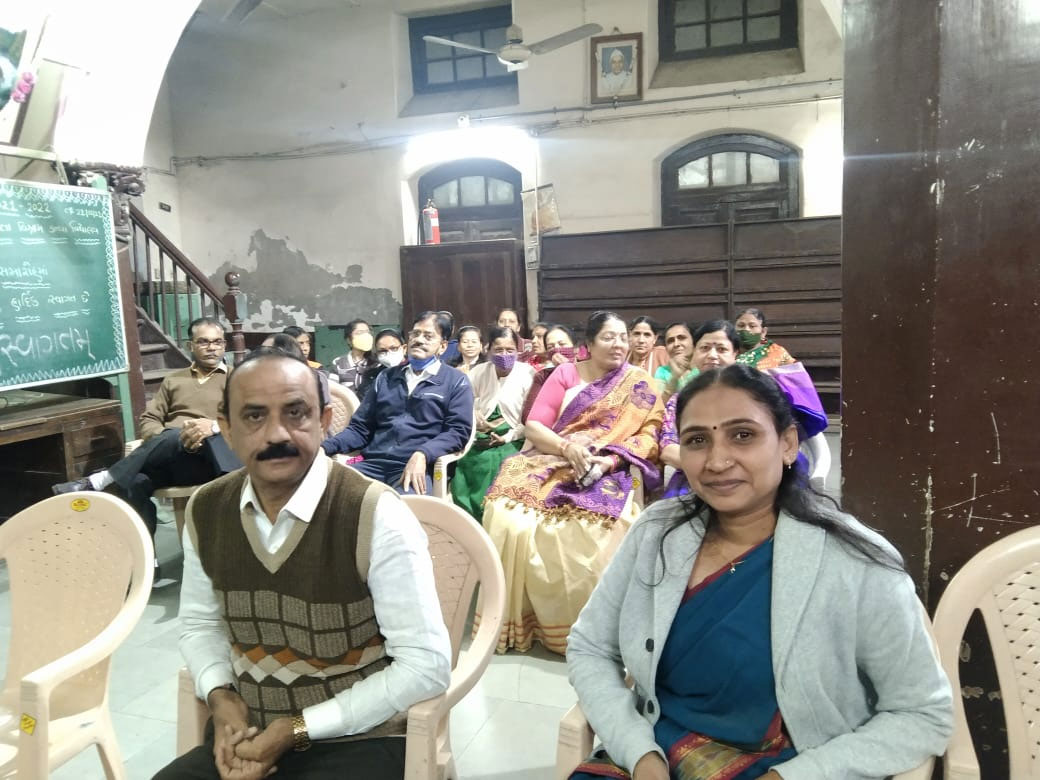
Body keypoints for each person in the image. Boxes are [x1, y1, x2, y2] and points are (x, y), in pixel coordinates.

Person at [567, 364, 953, 780]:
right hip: (655, 749)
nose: (717, 461)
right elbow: (590, 647)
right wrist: (639, 753)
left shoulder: (856, 561)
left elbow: (922, 714)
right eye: (697, 440)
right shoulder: (657, 532)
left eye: (743, 435)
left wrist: (791, 777)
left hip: (798, 765)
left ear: (787, 444)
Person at [154, 348, 451, 780]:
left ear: (324, 420)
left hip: (358, 737)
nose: (277, 434)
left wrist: (296, 729)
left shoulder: (373, 513)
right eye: (254, 416)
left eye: (296, 413)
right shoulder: (208, 508)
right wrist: (220, 696)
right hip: (249, 730)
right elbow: (200, 625)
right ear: (227, 429)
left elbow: (426, 666)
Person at [481, 311, 663, 655]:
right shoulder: (565, 373)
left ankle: (591, 630)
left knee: (592, 528)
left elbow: (649, 437)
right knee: (506, 514)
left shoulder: (640, 384)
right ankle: (522, 620)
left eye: (622, 337)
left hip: (607, 466)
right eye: (608, 337)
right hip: (552, 456)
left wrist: (609, 461)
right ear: (588, 344)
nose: (619, 344)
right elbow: (535, 426)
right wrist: (566, 448)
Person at [51, 316, 241, 539]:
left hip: (209, 460)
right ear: (191, 345)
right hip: (171, 459)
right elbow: (149, 420)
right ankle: (147, 552)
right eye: (204, 342)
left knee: (174, 436)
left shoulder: (236, 378)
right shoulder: (173, 380)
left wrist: (214, 427)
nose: (212, 348)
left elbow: (245, 419)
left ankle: (100, 480)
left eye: (217, 342)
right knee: (133, 482)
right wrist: (166, 438)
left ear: (224, 345)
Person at [321, 311, 474, 495]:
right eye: (415, 334)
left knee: (402, 507)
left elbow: (458, 431)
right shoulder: (386, 377)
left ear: (442, 346)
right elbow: (360, 428)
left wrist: (423, 453)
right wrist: (324, 447)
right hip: (372, 464)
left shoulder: (455, 381)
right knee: (328, 494)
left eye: (428, 336)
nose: (419, 340)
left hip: (415, 466)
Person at [450, 326, 534, 520]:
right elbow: (464, 402)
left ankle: (490, 518)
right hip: (481, 434)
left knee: (496, 463)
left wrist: (508, 437)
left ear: (518, 350)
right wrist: (474, 414)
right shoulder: (479, 371)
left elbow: (531, 417)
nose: (504, 355)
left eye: (509, 350)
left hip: (516, 437)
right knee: (468, 462)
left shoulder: (527, 374)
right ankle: (468, 519)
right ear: (488, 350)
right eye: (498, 350)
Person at [658, 320, 741, 497]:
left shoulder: (751, 396)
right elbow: (668, 449)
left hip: (743, 476)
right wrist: (712, 468)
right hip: (692, 482)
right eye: (704, 348)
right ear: (694, 353)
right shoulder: (681, 399)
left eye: (721, 349)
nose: (712, 355)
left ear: (735, 354)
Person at [520, 323, 579, 423]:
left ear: (575, 348)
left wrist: (568, 369)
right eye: (551, 347)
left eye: (562, 344)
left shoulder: (588, 371)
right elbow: (527, 416)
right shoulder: (543, 376)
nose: (556, 349)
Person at [357, 327, 406, 401]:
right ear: (377, 354)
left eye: (393, 348)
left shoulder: (414, 372)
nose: (389, 353)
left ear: (404, 348)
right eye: (383, 351)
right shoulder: (372, 376)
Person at [329, 318, 374, 393]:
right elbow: (332, 390)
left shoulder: (377, 363)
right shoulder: (338, 363)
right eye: (359, 333)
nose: (365, 336)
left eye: (367, 332)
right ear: (349, 340)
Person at [652, 321, 694, 398]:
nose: (676, 344)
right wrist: (674, 378)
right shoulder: (662, 372)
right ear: (666, 348)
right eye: (670, 341)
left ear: (693, 341)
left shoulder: (702, 367)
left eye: (681, 338)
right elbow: (658, 403)